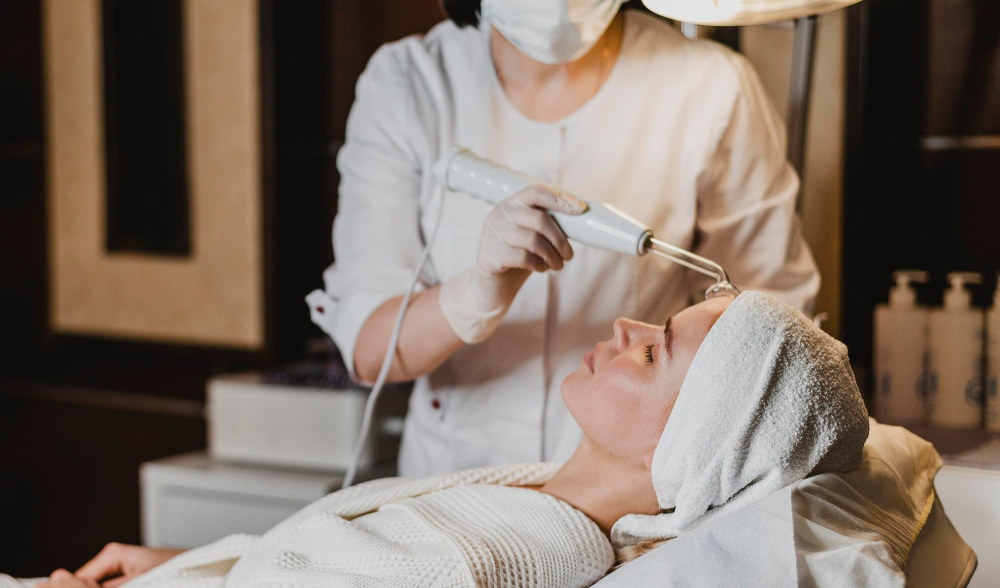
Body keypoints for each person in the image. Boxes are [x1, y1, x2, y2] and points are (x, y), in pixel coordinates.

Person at [306, 0, 821, 478]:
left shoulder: (708, 88)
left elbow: (772, 332)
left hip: (632, 489)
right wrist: (477, 293)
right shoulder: (409, 86)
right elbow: (370, 352)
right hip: (454, 483)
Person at [26, 292, 869, 588]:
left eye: (654, 353)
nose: (626, 326)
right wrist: (189, 564)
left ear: (686, 446)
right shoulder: (539, 495)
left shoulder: (519, 553)